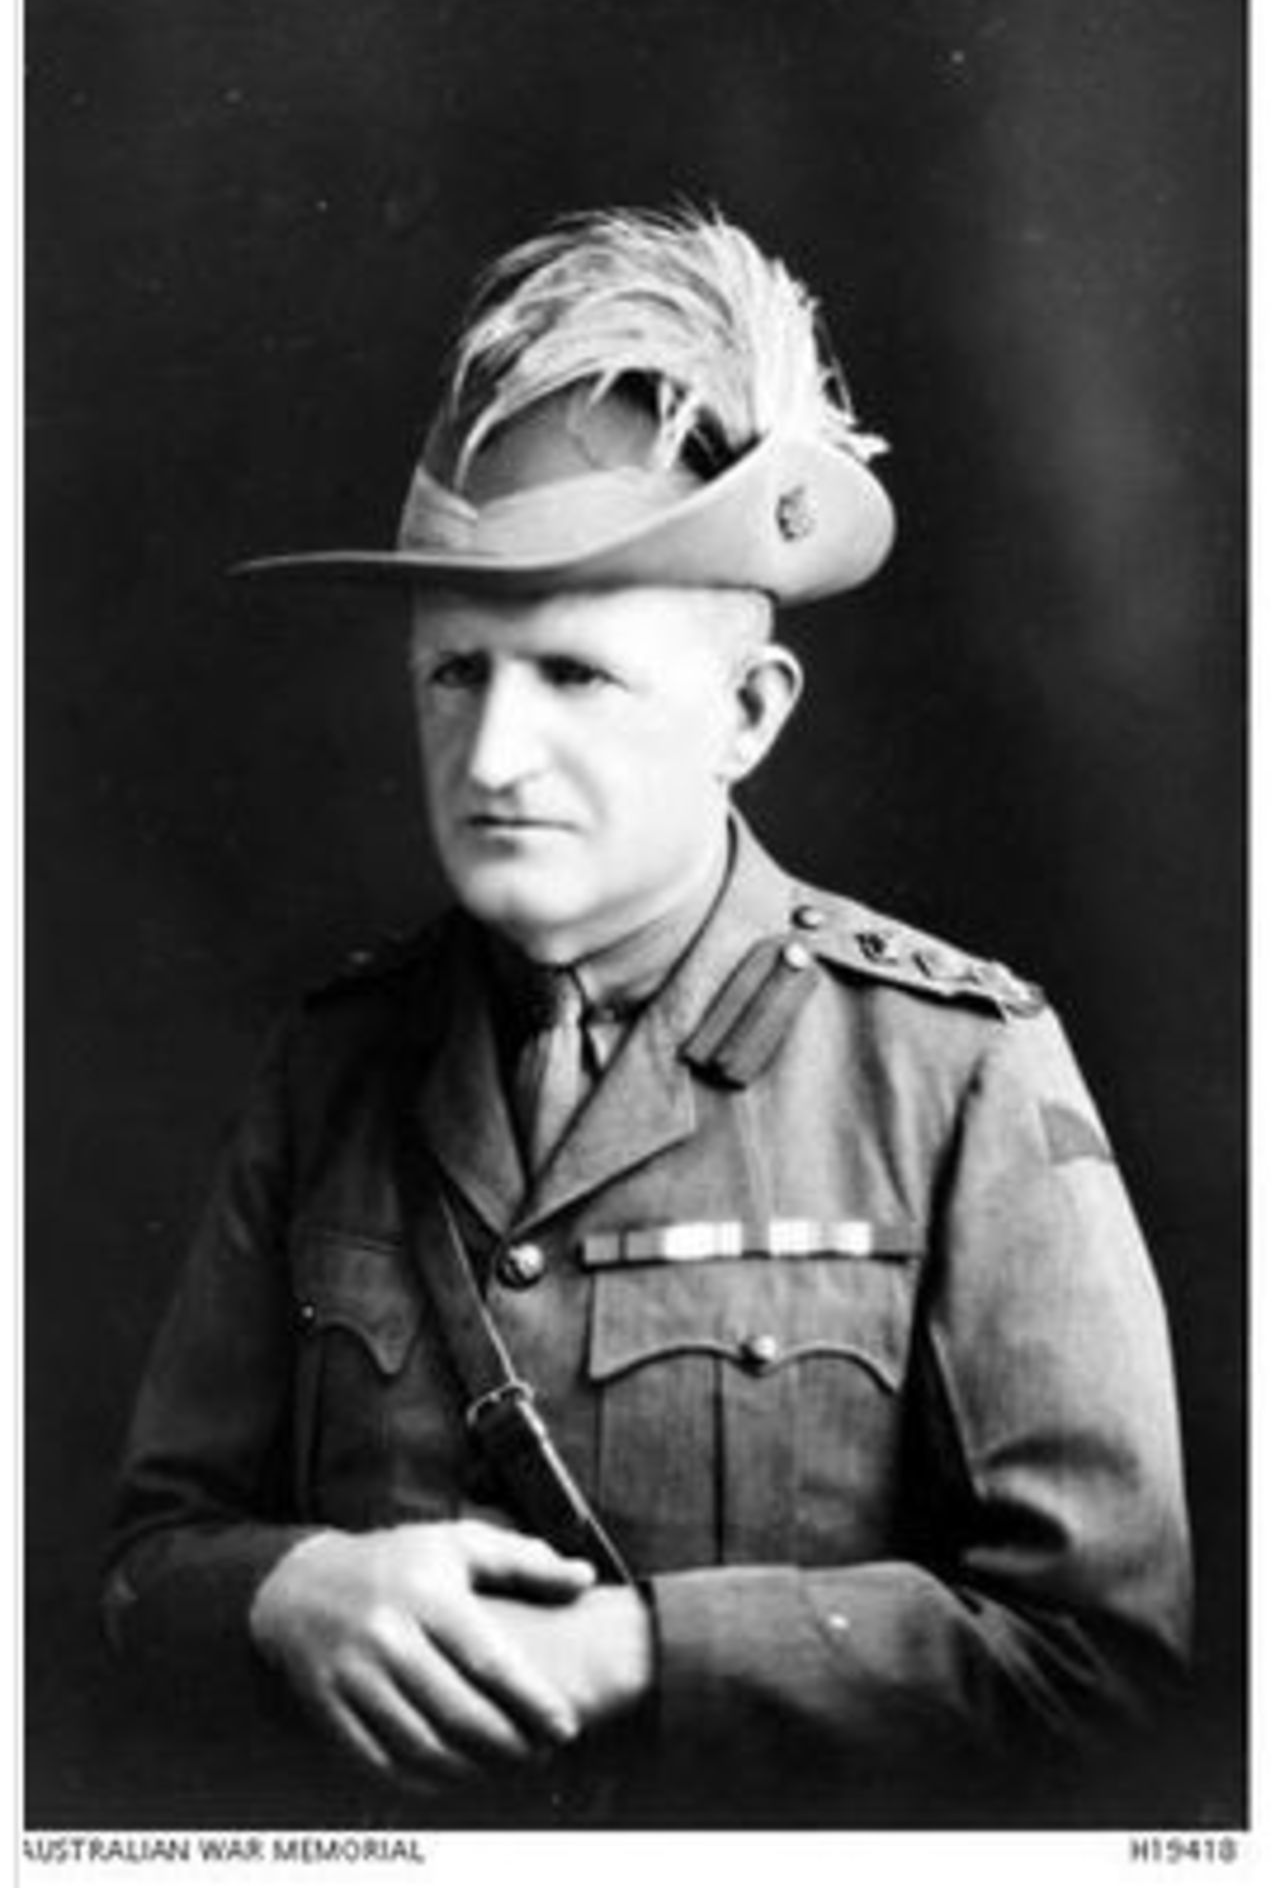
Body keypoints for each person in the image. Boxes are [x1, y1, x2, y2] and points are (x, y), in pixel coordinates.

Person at [103, 207, 1191, 1828]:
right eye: (455, 673)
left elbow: (1106, 1662)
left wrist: (647, 1649)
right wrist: (286, 1591)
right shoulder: (330, 1067)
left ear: (746, 712)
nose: (491, 758)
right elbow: (145, 1567)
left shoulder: (951, 1072)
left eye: (576, 676)